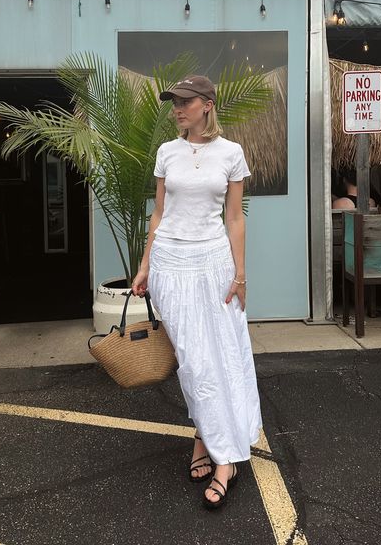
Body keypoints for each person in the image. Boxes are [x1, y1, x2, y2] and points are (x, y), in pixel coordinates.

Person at [131, 75, 263, 510]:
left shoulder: (231, 153)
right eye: (174, 102)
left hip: (213, 262)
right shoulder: (167, 152)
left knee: (222, 354)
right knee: (191, 360)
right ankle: (207, 437)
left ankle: (224, 457)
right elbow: (159, 213)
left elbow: (235, 219)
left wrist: (240, 275)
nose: (177, 109)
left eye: (185, 102)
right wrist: (146, 264)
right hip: (170, 261)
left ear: (207, 104)